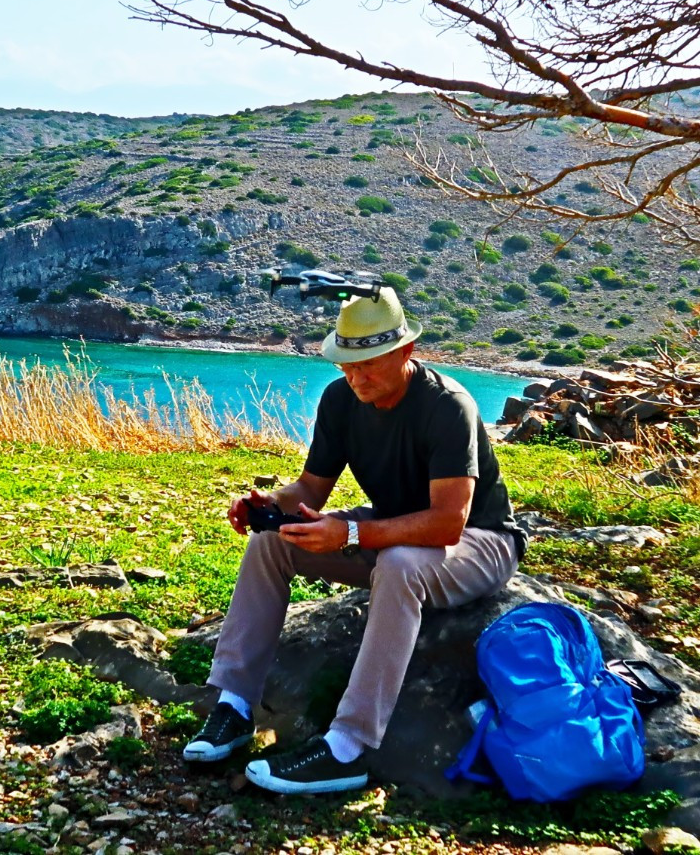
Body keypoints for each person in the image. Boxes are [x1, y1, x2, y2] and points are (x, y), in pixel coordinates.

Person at [181, 286, 523, 794]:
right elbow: (311, 488)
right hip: (394, 531)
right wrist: (270, 505)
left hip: (481, 542)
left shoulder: (448, 406)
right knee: (270, 544)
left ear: (405, 352)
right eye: (347, 364)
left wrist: (354, 532)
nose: (355, 376)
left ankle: (348, 746)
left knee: (402, 565)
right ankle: (234, 704)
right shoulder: (341, 399)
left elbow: (449, 522)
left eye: (368, 364)